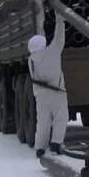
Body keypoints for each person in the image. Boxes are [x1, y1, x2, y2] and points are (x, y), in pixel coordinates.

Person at [27, 11, 68, 158]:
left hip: (41, 94)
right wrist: (60, 19)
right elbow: (59, 37)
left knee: (43, 121)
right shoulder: (53, 52)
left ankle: (40, 148)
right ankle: (56, 144)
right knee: (61, 117)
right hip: (57, 92)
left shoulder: (31, 60)